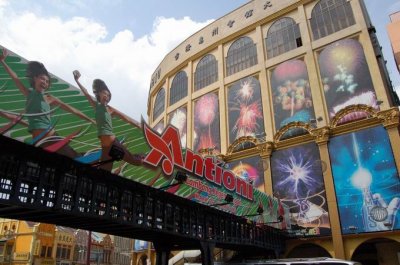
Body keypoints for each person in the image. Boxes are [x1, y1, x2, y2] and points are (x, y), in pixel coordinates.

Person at [0, 48, 95, 157]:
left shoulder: (50, 98)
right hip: (38, 140)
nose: (44, 82)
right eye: (42, 79)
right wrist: (3, 61)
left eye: (47, 81)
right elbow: (15, 78)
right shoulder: (29, 94)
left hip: (51, 137)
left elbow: (73, 110)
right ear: (35, 78)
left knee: (76, 157)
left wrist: (89, 119)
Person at [73, 70, 143, 171]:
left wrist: (140, 126)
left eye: (108, 94)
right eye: (104, 93)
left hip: (113, 142)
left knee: (134, 161)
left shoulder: (110, 109)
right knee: (104, 171)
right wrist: (77, 81)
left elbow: (126, 119)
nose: (106, 96)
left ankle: (145, 158)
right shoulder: (97, 106)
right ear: (99, 94)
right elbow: (86, 93)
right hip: (105, 146)